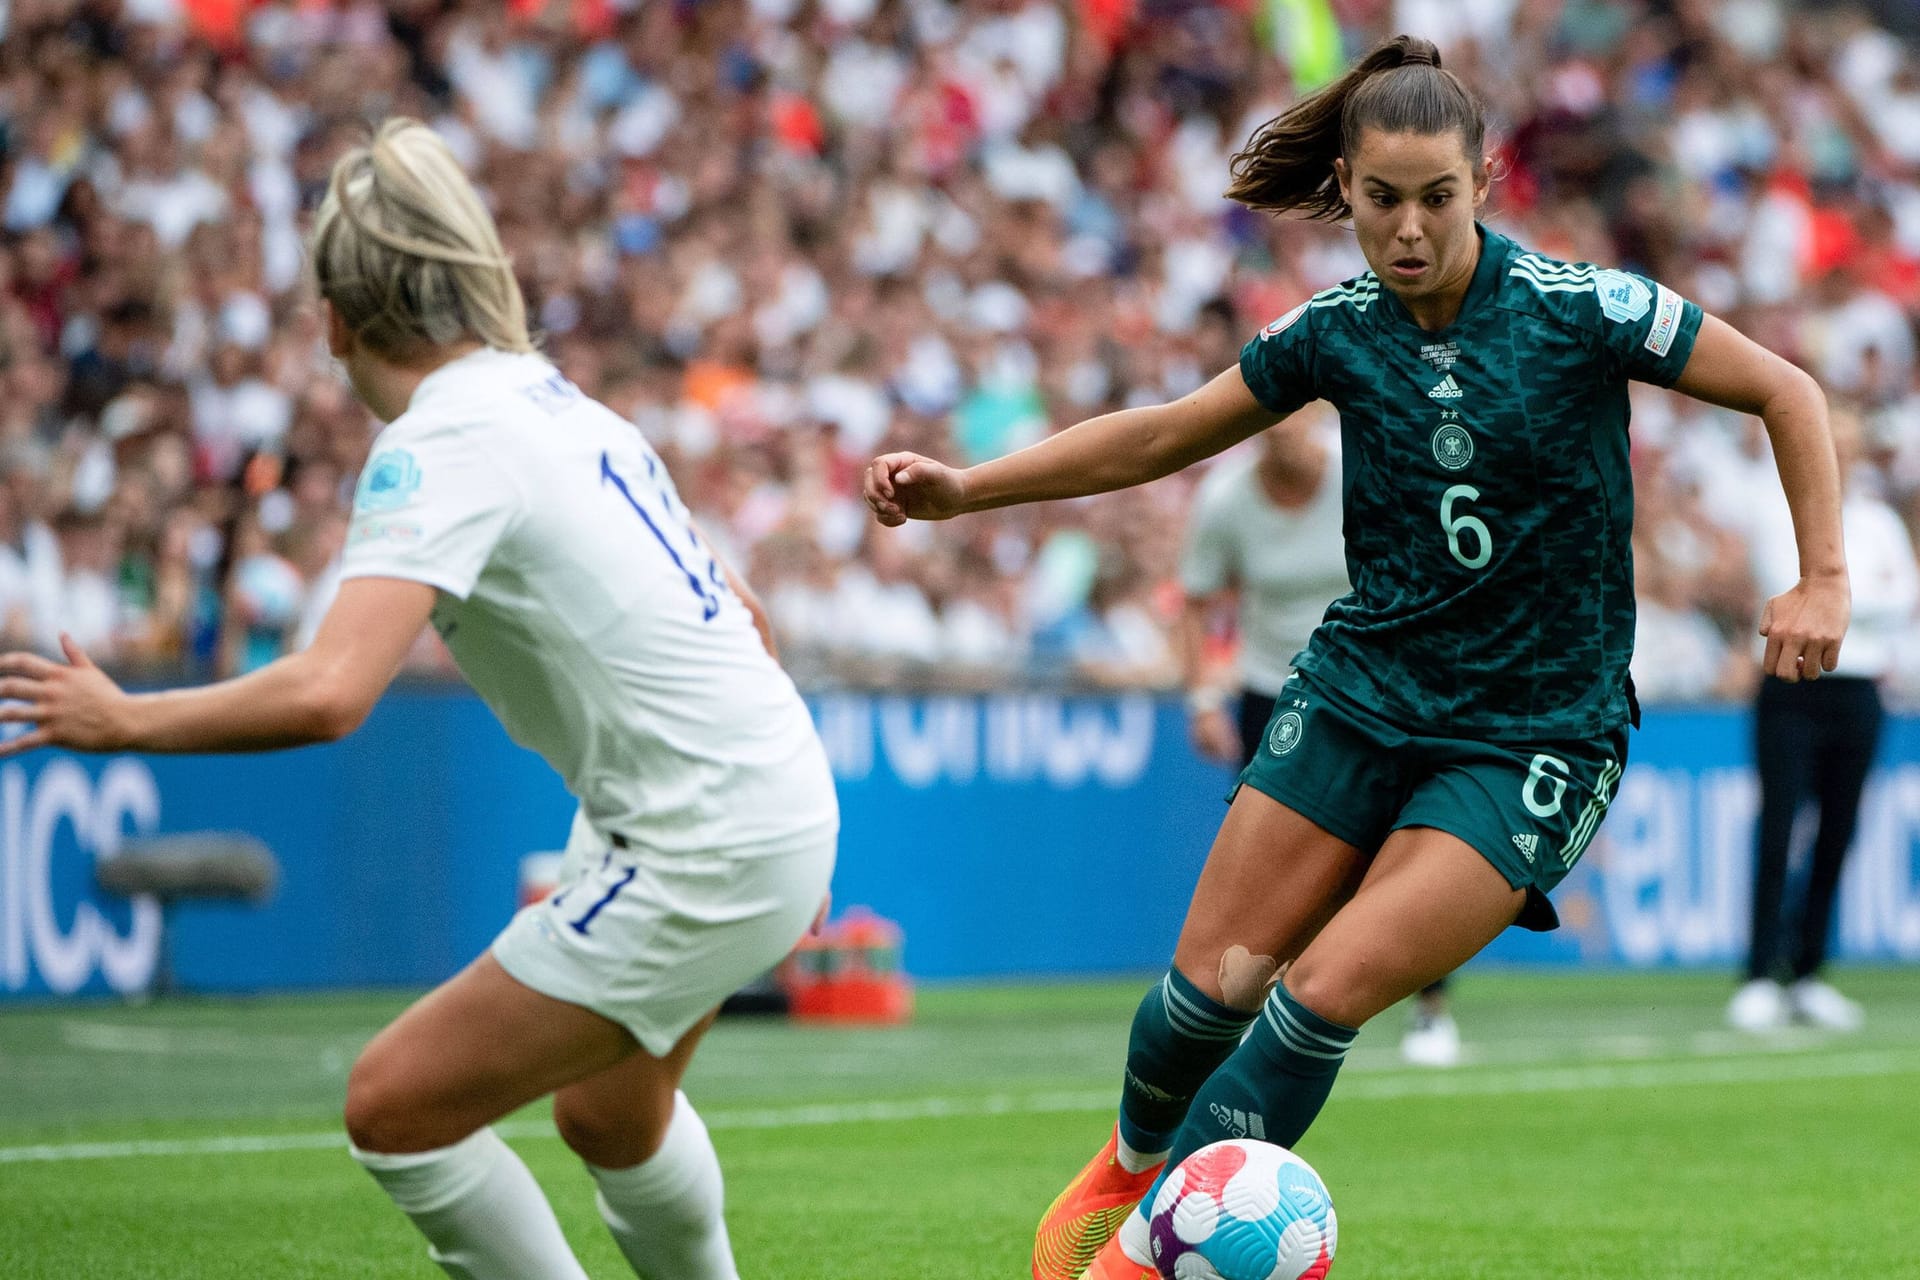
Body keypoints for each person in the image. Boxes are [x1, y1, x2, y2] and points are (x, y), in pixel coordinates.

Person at [862, 36, 1847, 1280]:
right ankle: (1128, 1163)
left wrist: (1822, 574)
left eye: (1439, 196)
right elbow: (1163, 433)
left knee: (1319, 989)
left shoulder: (1583, 311)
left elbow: (1789, 391)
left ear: (1484, 179)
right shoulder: (1335, 332)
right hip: (1360, 691)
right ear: (1346, 188)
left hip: (1534, 735)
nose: (1411, 228)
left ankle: (1136, 1266)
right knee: (1200, 994)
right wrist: (966, 490)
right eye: (1383, 200)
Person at [0, 119, 837, 1280]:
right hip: (769, 795)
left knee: (394, 1105)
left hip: (710, 834)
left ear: (336, 318)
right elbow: (743, 611)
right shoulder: (561, 404)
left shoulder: (440, 441)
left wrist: (125, 718)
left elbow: (332, 691)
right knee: (611, 1118)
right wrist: (771, 810)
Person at [1180, 406, 1465, 1068]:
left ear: (1316, 412)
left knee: (1408, 848)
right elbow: (1196, 598)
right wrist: (1202, 696)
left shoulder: (1365, 470)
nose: (1279, 428)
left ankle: (1431, 1008)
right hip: (1271, 693)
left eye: (1291, 413)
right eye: (1266, 417)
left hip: (1376, 688)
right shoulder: (1224, 499)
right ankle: (1249, 1010)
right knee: (1264, 865)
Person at [1728, 405, 1917, 1034]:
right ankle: (1759, 974)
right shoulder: (1777, 507)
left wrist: (1837, 601)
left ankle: (1808, 972)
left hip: (1859, 688)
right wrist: (1848, 599)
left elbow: (1901, 601)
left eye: (1850, 442)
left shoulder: (1877, 520)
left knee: (1839, 830)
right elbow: (1785, 592)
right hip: (1791, 682)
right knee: (1779, 827)